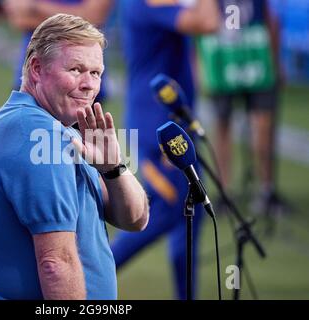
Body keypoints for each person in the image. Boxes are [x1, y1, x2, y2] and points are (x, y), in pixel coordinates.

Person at [0, 13, 149, 300]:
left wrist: (114, 167)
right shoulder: (37, 134)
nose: (89, 84)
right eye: (76, 69)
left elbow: (135, 220)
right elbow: (56, 263)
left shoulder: (60, 131)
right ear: (37, 68)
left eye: (96, 73)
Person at [110, 0, 220, 300]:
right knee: (167, 210)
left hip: (174, 124)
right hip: (155, 128)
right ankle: (86, 275)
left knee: (191, 216)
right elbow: (208, 22)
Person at [197, 0, 290, 216]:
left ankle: (266, 190)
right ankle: (224, 192)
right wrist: (199, 65)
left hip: (254, 50)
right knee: (222, 126)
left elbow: (271, 16)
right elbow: (198, 16)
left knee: (263, 124)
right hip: (219, 51)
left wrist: (275, 61)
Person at [3, 0, 114, 101]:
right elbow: (19, 17)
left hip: (83, 85)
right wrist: (75, 21)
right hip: (33, 81)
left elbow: (91, 18)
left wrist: (34, 8)